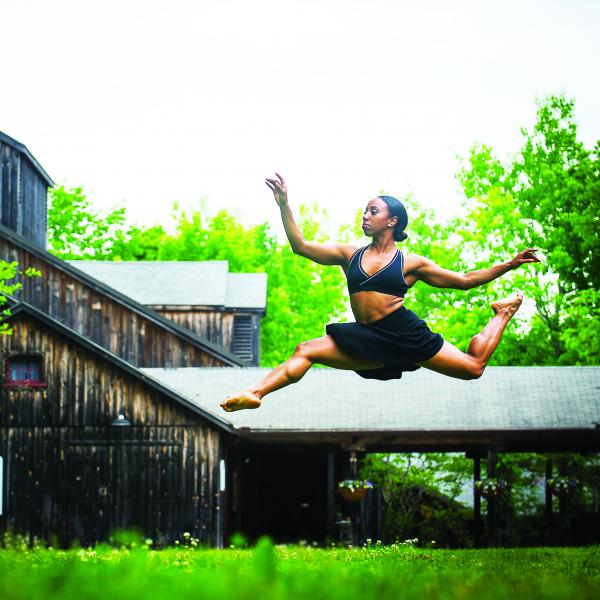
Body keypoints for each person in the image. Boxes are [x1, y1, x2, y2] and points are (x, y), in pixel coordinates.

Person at [220, 173, 540, 412]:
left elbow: (466, 279)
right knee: (306, 349)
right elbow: (301, 246)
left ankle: (502, 313)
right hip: (368, 336)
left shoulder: (410, 263)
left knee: (473, 367)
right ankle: (256, 393)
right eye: (365, 212)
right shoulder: (350, 255)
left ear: (392, 221)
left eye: (373, 212)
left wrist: (509, 264)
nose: (365, 216)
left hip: (404, 333)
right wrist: (284, 205)